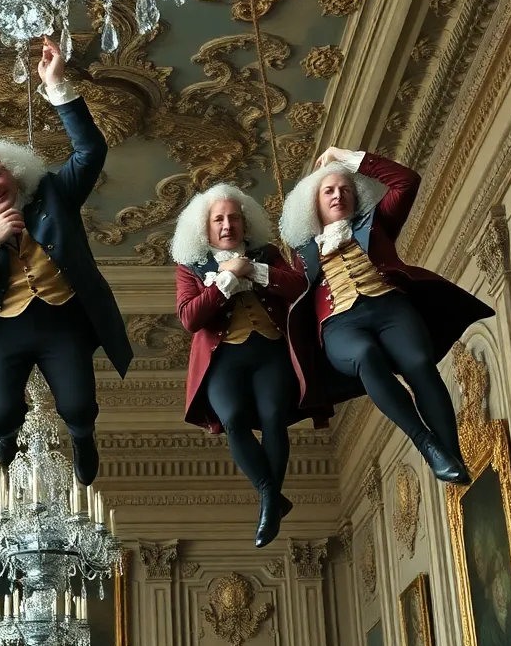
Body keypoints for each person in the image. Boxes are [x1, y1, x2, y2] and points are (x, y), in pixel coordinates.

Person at [0, 38, 131, 485]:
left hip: (61, 319)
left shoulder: (53, 196)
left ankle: (83, 436)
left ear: (11, 172)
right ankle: (7, 439)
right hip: (2, 329)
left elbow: (90, 153)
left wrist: (57, 86)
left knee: (79, 406)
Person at [280, 147, 493, 484]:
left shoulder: (376, 223)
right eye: (329, 191)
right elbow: (286, 290)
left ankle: (450, 454)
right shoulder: (302, 253)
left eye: (345, 189)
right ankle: (427, 445)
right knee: (365, 355)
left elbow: (407, 182)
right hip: (340, 325)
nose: (338, 195)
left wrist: (347, 157)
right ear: (314, 204)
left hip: (391, 307)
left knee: (419, 364)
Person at [173, 183, 323, 547]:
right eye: (219, 219)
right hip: (224, 359)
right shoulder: (190, 266)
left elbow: (299, 287)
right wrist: (225, 280)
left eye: (234, 217)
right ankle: (271, 496)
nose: (227, 225)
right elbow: (190, 318)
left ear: (245, 222)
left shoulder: (266, 253)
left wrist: (251, 269)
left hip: (271, 351)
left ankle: (270, 500)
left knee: (274, 418)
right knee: (234, 421)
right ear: (205, 227)